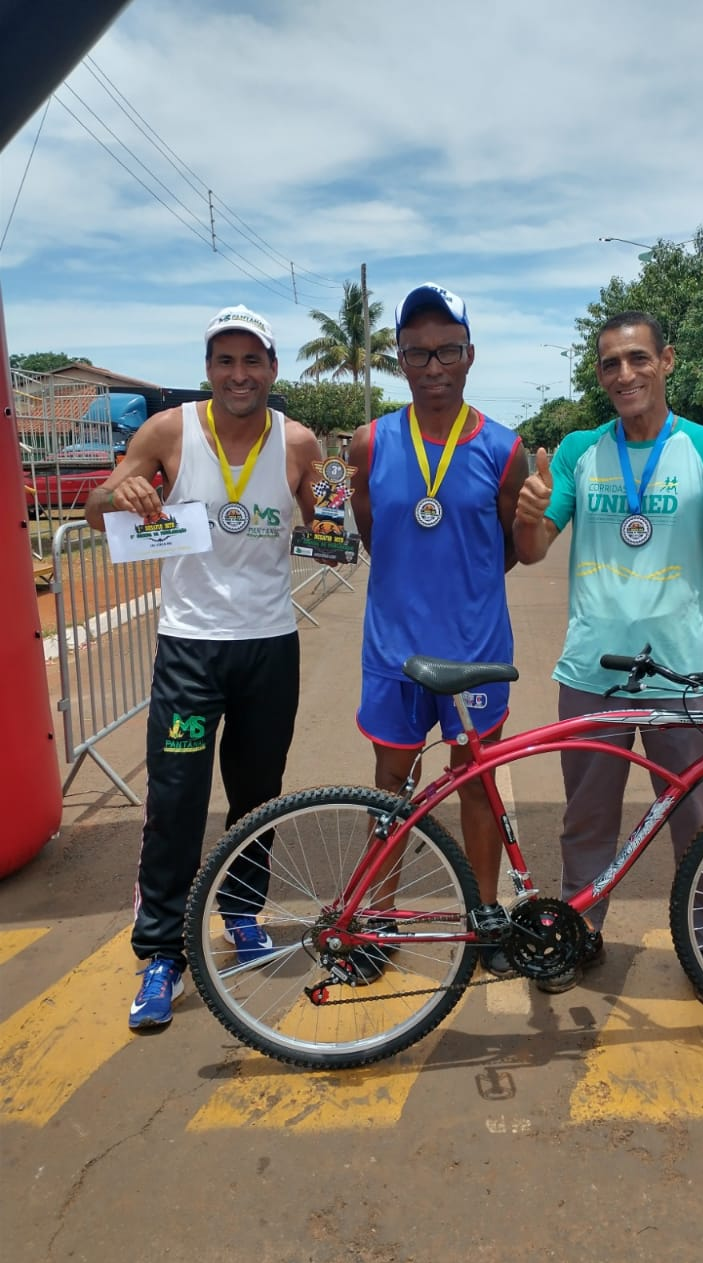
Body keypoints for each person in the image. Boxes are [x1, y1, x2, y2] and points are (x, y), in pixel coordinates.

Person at [512, 310, 703, 996]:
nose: (625, 374)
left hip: (686, 674)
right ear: (600, 374)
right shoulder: (582, 450)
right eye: (611, 364)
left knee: (699, 823)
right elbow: (532, 553)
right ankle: (579, 935)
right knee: (586, 820)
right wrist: (528, 516)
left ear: (666, 360)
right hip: (593, 671)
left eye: (638, 359)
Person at [85, 305, 324, 1029]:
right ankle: (160, 952)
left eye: (252, 360)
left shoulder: (301, 442)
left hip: (269, 646)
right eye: (225, 360)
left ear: (273, 369)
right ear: (209, 369)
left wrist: (339, 514)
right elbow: (98, 511)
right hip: (190, 648)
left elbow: (333, 525)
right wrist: (117, 492)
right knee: (178, 800)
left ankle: (243, 915)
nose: (239, 373)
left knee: (257, 797)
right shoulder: (169, 432)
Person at [347, 283, 528, 977]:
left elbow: (507, 543)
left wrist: (466, 581)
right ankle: (377, 923)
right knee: (388, 787)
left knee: (477, 787)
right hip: (393, 653)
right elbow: (369, 531)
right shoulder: (369, 443)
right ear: (400, 359)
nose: (433, 366)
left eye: (447, 350)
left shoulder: (505, 450)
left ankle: (483, 922)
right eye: (417, 352)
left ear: (469, 356)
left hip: (476, 653)